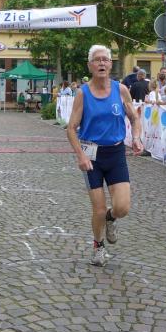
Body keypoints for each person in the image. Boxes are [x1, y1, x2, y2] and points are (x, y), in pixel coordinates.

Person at [66, 44, 142, 267]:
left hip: (116, 152)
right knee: (98, 208)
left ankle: (111, 218)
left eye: (105, 59)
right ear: (90, 65)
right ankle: (98, 247)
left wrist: (136, 138)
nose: (101, 63)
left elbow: (134, 118)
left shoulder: (121, 90)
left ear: (110, 64)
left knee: (122, 208)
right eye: (97, 60)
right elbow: (71, 128)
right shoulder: (83, 93)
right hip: (91, 154)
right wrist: (81, 156)